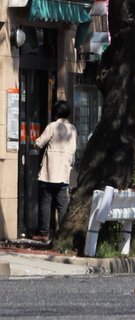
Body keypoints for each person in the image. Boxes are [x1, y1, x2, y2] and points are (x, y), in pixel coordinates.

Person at [34, 99, 77, 242]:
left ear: (56, 113)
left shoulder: (52, 126)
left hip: (49, 173)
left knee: (45, 202)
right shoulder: (72, 129)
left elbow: (39, 143)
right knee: (62, 204)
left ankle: (44, 233)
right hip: (64, 173)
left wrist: (34, 141)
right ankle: (63, 234)